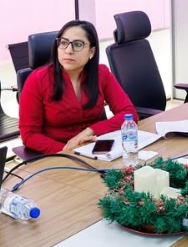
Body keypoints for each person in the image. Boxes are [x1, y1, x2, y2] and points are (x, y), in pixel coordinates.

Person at [19, 20, 137, 154]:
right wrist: (67, 150)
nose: (68, 51)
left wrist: (90, 131)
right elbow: (29, 134)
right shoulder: (37, 80)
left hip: (95, 147)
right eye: (63, 43)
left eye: (77, 44)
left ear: (91, 51)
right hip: (57, 153)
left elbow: (129, 114)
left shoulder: (101, 73)